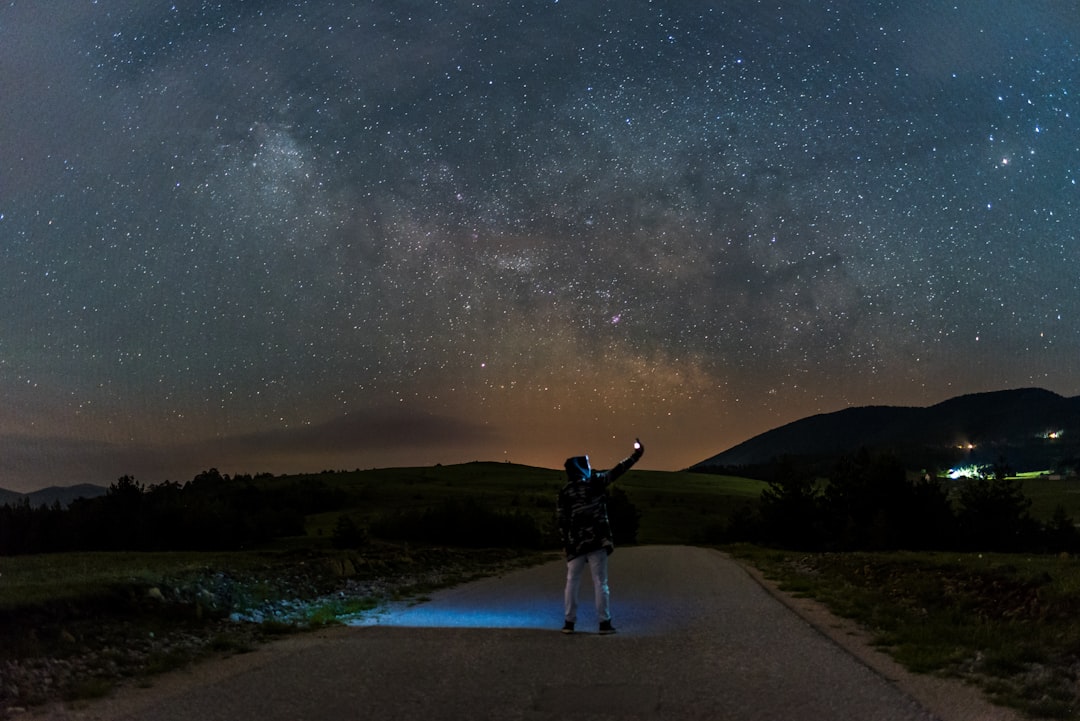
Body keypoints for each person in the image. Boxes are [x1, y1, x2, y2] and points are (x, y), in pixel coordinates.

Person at [556, 438, 644, 634]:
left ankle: (569, 623)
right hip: (597, 540)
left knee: (572, 581)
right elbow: (617, 471)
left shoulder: (565, 492)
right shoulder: (595, 483)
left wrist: (565, 542)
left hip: (575, 542)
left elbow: (561, 520)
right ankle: (604, 623)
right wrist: (636, 456)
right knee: (600, 582)